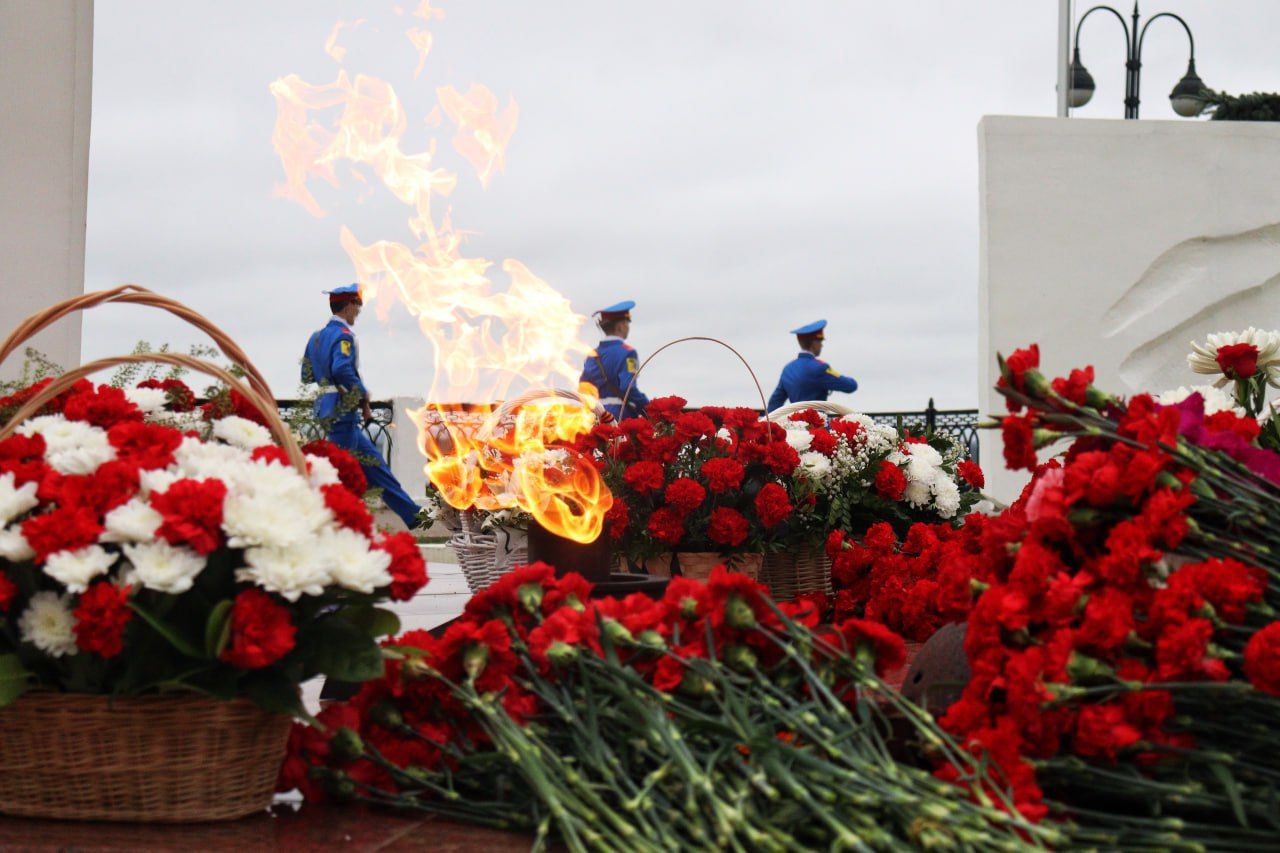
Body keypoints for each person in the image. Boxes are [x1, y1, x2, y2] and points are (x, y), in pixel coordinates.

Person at [302, 283, 421, 529]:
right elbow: (342, 369)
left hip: (326, 407)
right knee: (341, 472)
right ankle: (330, 522)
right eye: (357, 306)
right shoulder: (344, 336)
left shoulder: (316, 338)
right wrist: (362, 395)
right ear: (348, 306)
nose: (358, 311)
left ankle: (414, 516)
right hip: (341, 410)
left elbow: (307, 374)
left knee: (374, 466)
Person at [767, 319, 858, 411]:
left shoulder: (788, 369)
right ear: (814, 343)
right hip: (817, 423)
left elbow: (774, 403)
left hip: (794, 424)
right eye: (820, 341)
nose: (821, 346)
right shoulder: (820, 367)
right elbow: (851, 386)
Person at [581, 300, 649, 420]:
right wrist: (648, 408)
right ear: (620, 326)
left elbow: (584, 388)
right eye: (627, 323)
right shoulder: (628, 352)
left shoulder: (592, 354)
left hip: (596, 415)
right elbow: (628, 388)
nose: (628, 327)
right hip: (620, 415)